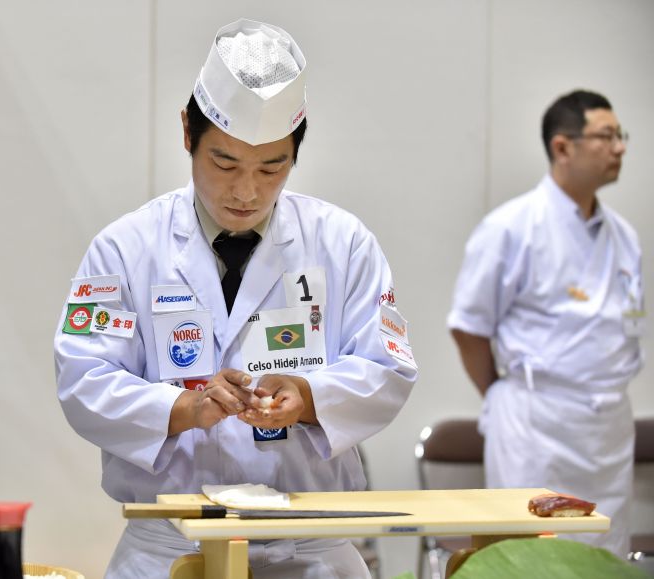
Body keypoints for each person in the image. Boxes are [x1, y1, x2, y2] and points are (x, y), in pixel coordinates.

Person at [54, 18, 417, 578]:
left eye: (272, 167)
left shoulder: (343, 244)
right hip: (169, 551)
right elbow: (84, 379)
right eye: (224, 162)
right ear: (187, 133)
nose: (247, 191)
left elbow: (387, 369)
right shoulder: (125, 249)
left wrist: (309, 396)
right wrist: (185, 408)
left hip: (311, 553)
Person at [447, 89, 645, 558]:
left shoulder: (624, 236)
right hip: (536, 423)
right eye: (606, 136)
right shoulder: (511, 227)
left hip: (608, 426)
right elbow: (469, 327)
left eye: (621, 136)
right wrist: (502, 393)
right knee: (532, 556)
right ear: (562, 147)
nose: (620, 147)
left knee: (604, 554)